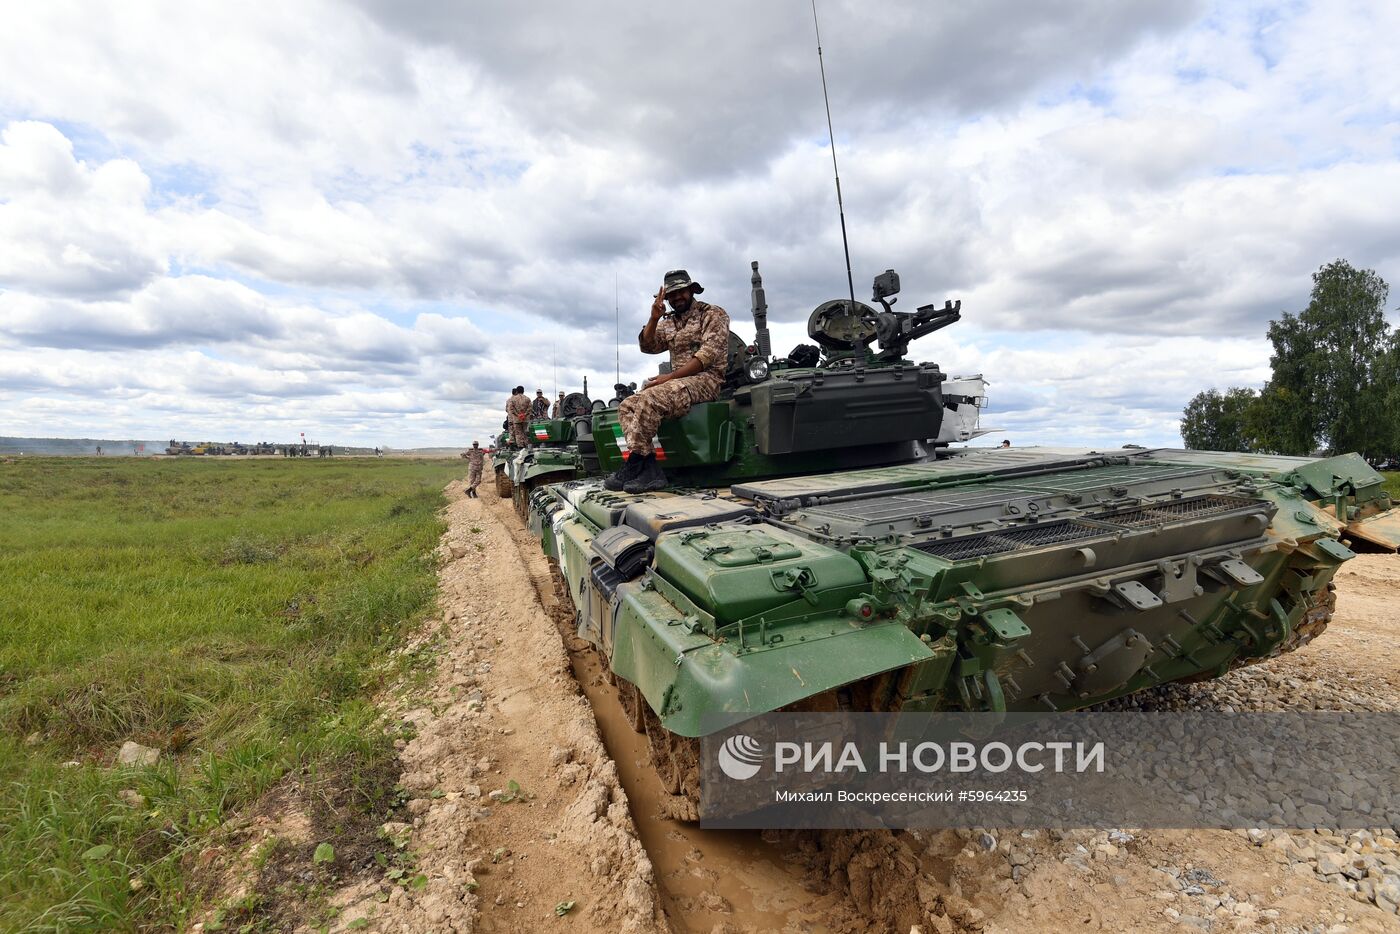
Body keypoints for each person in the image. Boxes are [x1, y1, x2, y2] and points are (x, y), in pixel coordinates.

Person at [605, 269, 729, 494]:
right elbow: (648, 346)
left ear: (691, 290)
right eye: (670, 295)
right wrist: (653, 318)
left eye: (680, 292)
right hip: (678, 384)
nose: (676, 298)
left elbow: (706, 356)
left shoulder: (712, 314)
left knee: (651, 398)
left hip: (706, 380)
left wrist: (669, 378)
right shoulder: (669, 321)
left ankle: (635, 463)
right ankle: (650, 468)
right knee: (627, 406)